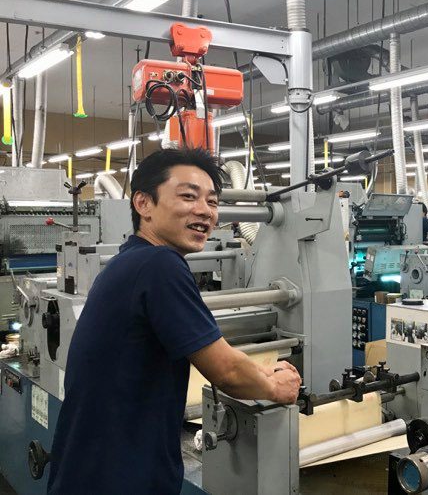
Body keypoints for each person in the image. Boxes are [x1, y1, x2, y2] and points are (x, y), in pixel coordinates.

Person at [48, 148, 301, 495]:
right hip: (120, 478)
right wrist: (276, 388)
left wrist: (261, 372)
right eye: (188, 196)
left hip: (92, 470)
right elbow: (226, 371)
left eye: (212, 202)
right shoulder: (160, 265)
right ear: (143, 204)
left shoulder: (130, 261)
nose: (205, 211)